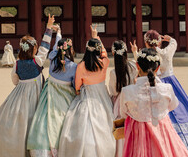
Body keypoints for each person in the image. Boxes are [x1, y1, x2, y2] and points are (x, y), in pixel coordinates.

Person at [0, 15, 55, 157]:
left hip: (18, 96)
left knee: (20, 124)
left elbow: (15, 81)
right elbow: (45, 47)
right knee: (33, 122)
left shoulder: (17, 64)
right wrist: (48, 28)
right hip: (35, 96)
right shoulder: (37, 61)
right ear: (33, 49)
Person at [142, 30, 188, 157]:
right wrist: (169, 39)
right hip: (171, 84)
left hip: (155, 84)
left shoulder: (146, 54)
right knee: (181, 112)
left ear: (146, 43)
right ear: (158, 41)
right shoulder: (166, 52)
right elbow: (174, 43)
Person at [120, 48, 188, 157]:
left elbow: (123, 113)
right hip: (163, 131)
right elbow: (173, 106)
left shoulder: (127, 91)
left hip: (138, 136)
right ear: (157, 68)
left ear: (137, 66)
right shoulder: (166, 88)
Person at [58, 25, 116, 157]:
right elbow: (104, 53)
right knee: (105, 117)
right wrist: (96, 37)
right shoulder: (104, 62)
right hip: (101, 93)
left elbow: (78, 84)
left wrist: (78, 91)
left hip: (88, 93)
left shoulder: (81, 66)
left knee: (83, 120)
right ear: (98, 50)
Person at [27, 25, 77, 157]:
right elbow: (75, 84)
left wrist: (58, 33)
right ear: (70, 51)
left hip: (49, 92)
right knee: (63, 118)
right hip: (65, 94)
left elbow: (55, 46)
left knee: (44, 117)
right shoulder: (73, 67)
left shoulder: (53, 56)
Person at [108, 40, 138, 157]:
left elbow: (114, 91)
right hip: (133, 98)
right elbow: (138, 64)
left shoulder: (113, 72)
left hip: (120, 101)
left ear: (113, 53)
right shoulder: (132, 66)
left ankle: (121, 153)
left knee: (120, 128)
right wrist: (135, 52)